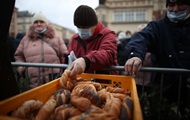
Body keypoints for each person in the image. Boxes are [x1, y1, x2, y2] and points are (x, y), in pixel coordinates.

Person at [124, 0, 190, 118]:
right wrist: (136, 55)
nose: (175, 9)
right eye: (171, 5)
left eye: (181, 4)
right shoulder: (157, 27)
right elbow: (141, 38)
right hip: (162, 93)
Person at [14, 12, 67, 89]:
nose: (39, 24)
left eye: (41, 22)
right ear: (33, 24)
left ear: (46, 24)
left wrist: (62, 71)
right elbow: (18, 56)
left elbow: (64, 55)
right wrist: (22, 68)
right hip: (33, 80)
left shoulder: (56, 38)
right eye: (36, 22)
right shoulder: (26, 39)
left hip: (53, 78)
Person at [66, 5, 118, 79]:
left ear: (95, 24)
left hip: (105, 82)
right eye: (79, 28)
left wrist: (86, 60)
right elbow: (70, 55)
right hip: (82, 81)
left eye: (85, 28)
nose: (82, 31)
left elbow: (107, 53)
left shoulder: (107, 34)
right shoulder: (75, 38)